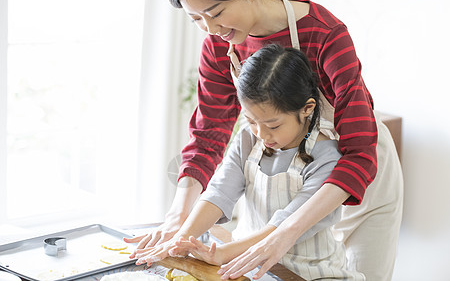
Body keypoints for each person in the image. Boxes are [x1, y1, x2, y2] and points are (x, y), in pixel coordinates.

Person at [125, 0, 403, 280]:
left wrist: (287, 232)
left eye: (215, 12)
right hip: (281, 177)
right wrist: (177, 219)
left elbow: (360, 152)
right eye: (196, 19)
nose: (210, 28)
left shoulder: (324, 34)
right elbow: (207, 136)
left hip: (355, 175)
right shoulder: (221, 43)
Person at [133, 44, 366, 280]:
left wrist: (223, 254)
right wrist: (181, 239)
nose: (262, 135)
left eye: (273, 125)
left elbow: (284, 224)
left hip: (310, 273)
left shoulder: (326, 157)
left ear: (307, 108)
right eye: (251, 120)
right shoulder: (248, 137)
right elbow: (219, 192)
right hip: (246, 263)